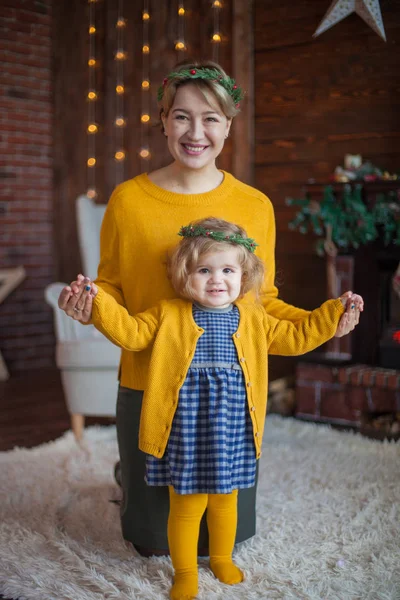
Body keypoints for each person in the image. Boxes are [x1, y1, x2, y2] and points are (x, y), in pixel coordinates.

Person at [57, 60, 362, 558]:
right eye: (181, 116)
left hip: (229, 389)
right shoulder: (128, 200)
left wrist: (326, 320)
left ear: (228, 125)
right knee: (151, 539)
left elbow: (263, 303)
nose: (195, 132)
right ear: (162, 118)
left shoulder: (255, 206)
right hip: (150, 381)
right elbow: (111, 286)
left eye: (210, 118)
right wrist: (90, 304)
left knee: (231, 533)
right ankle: (128, 477)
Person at [76, 216, 363, 600]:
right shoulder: (168, 313)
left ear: (243, 277)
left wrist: (333, 313)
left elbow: (296, 336)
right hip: (186, 429)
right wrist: (98, 304)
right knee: (187, 505)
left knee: (226, 500)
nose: (217, 279)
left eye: (228, 270)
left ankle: (222, 557)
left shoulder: (253, 317)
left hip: (233, 428)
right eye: (204, 270)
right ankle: (184, 572)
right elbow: (130, 332)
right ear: (183, 275)